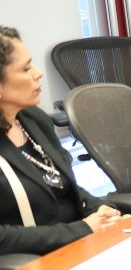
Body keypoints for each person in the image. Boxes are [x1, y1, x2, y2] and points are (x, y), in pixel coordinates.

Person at [0, 26, 123, 255]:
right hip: (33, 265)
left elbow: (63, 187)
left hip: (77, 246)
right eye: (26, 68)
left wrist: (101, 210)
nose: (38, 73)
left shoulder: (33, 120)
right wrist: (82, 230)